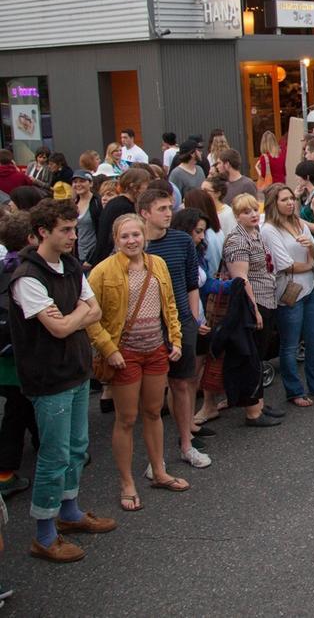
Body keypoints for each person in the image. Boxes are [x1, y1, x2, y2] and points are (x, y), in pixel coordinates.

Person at [8, 199, 115, 562]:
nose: (73, 236)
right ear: (42, 232)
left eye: (73, 228)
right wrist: (79, 314)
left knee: (76, 448)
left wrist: (76, 315)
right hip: (48, 379)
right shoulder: (27, 277)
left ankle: (69, 514)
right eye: (65, 230)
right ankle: (43, 534)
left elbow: (93, 308)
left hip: (76, 371)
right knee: (53, 456)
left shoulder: (70, 265)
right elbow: (58, 328)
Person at [87, 214, 188, 512]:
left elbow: (169, 304)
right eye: (125, 236)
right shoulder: (102, 272)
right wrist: (108, 349)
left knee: (154, 412)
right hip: (124, 353)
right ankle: (127, 482)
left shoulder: (157, 264)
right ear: (115, 239)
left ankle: (158, 471)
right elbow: (90, 317)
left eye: (136, 235)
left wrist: (176, 339)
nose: (131, 241)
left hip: (156, 349)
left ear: (144, 236)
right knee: (127, 418)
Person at [138, 188, 207, 469]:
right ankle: (154, 457)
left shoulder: (182, 241)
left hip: (182, 324)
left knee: (182, 384)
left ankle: (186, 444)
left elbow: (192, 282)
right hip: (148, 329)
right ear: (145, 213)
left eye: (170, 207)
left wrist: (191, 319)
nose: (169, 213)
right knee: (151, 395)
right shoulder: (136, 244)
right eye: (162, 209)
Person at [260, 185, 314, 407]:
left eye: (291, 199)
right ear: (273, 203)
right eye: (284, 199)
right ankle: (294, 390)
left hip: (309, 289)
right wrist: (311, 263)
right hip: (289, 293)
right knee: (289, 344)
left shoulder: (298, 223)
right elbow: (285, 265)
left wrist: (311, 254)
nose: (290, 203)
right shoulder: (269, 230)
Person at [223, 195, 282, 426]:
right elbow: (241, 279)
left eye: (254, 210)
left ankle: (258, 402)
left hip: (268, 298)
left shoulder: (256, 233)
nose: (253, 214)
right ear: (237, 216)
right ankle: (252, 411)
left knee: (259, 355)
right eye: (246, 212)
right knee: (251, 357)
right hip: (254, 302)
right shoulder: (237, 240)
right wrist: (254, 310)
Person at [0, 212, 38, 502]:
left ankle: (41, 443)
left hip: (6, 355)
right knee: (18, 409)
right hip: (18, 356)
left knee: (21, 405)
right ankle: (6, 471)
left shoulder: (4, 265)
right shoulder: (25, 271)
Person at [91, 168, 148, 266]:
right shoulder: (124, 207)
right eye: (145, 185)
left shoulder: (115, 203)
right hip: (113, 261)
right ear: (134, 186)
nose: (146, 190)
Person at [71, 170, 100, 270]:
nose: (78, 184)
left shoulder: (97, 203)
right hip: (78, 256)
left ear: (90, 183)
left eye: (82, 181)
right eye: (75, 182)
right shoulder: (73, 204)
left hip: (93, 258)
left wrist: (92, 258)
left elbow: (102, 233)